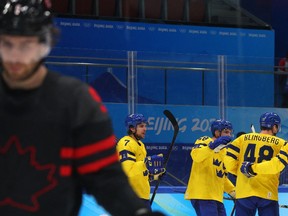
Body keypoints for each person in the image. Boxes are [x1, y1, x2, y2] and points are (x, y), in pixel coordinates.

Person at [0, 0, 165, 215]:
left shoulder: (76, 101)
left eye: (26, 45)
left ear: (44, 44)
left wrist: (136, 211)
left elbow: (104, 178)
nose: (15, 56)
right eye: (7, 44)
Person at [224, 112, 285, 216]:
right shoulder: (281, 143)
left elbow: (228, 162)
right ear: (274, 127)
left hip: (244, 191)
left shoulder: (243, 138)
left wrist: (243, 171)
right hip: (267, 192)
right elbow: (277, 165)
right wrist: (254, 169)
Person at [184, 119, 235, 216]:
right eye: (226, 132)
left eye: (230, 132)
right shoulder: (205, 140)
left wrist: (233, 191)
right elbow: (196, 156)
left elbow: (221, 176)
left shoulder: (224, 151)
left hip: (216, 197)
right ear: (216, 132)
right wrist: (211, 146)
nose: (229, 135)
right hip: (203, 195)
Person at [116, 113, 166, 209]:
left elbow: (141, 173)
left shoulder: (141, 145)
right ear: (132, 128)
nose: (145, 129)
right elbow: (128, 171)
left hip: (141, 195)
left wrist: (155, 175)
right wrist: (147, 163)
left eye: (145, 126)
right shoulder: (126, 143)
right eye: (141, 126)